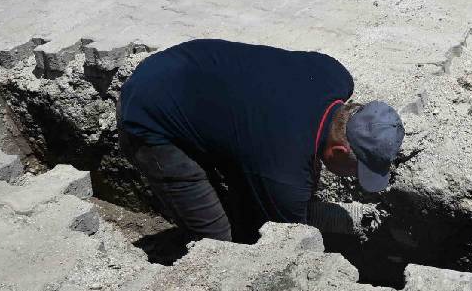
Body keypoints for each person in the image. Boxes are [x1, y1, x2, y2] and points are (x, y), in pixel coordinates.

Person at [117, 39, 405, 244]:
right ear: (340, 149)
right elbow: (292, 222)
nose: (355, 178)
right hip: (150, 115)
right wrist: (352, 218)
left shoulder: (334, 75)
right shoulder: (283, 167)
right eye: (358, 170)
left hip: (184, 67)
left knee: (245, 205)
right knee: (218, 244)